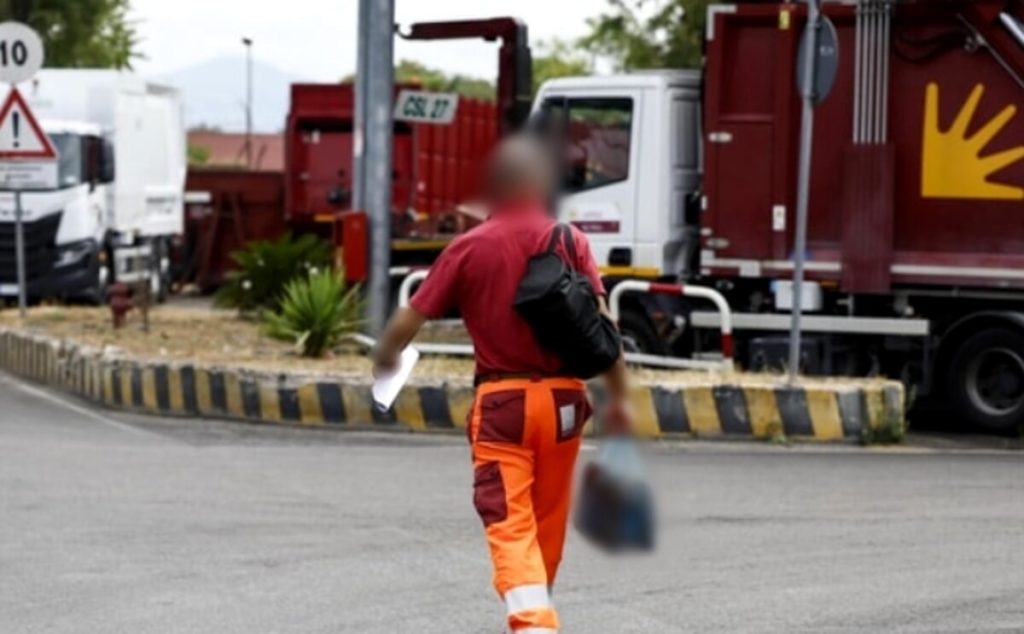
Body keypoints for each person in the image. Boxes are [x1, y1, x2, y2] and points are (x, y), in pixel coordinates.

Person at [373, 135, 632, 633]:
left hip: (502, 405)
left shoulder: (468, 248)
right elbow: (603, 331)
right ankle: (536, 613)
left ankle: (534, 623)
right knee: (546, 524)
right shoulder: (569, 239)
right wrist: (621, 399)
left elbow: (406, 325)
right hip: (563, 404)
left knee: (510, 524)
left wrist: (384, 361)